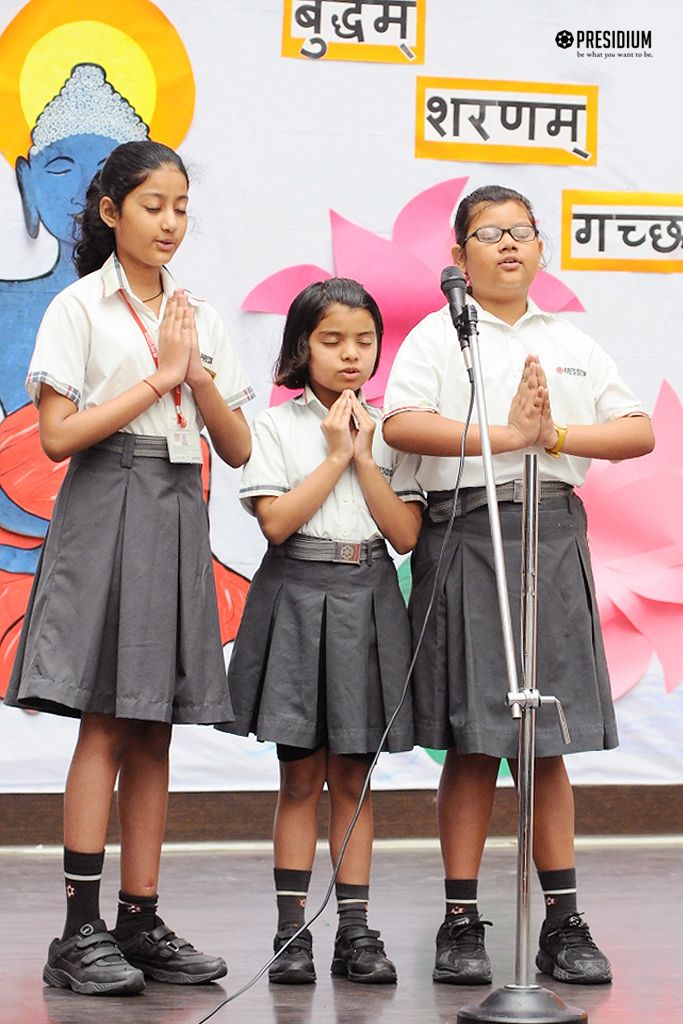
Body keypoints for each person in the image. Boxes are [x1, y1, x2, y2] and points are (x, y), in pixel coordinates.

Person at [382, 185, 654, 987]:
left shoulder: (570, 342)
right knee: (472, 740)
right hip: (466, 531)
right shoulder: (439, 338)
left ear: (540, 250)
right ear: (457, 257)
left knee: (547, 743)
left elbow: (634, 430)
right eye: (488, 233)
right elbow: (400, 423)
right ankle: (459, 919)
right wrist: (507, 436)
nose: (508, 245)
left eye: (522, 233)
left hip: (553, 531)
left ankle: (562, 921)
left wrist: (555, 435)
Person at [4, 140, 253, 996]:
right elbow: (60, 436)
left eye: (181, 206)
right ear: (111, 213)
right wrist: (159, 380)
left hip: (179, 508)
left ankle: (139, 920)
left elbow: (240, 443)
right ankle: (78, 932)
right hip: (108, 500)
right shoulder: (79, 307)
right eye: (153, 205)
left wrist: (194, 372)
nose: (170, 223)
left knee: (155, 724)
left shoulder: (198, 312)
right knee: (105, 720)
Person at [218, 278, 423, 986]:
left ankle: (357, 933)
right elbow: (275, 522)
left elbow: (402, 534)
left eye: (363, 340)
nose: (349, 354)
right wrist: (334, 453)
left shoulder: (390, 430)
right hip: (297, 593)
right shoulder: (277, 427)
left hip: (366, 594)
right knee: (300, 775)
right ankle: (291, 932)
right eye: (331, 340)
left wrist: (364, 455)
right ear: (300, 348)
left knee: (355, 777)